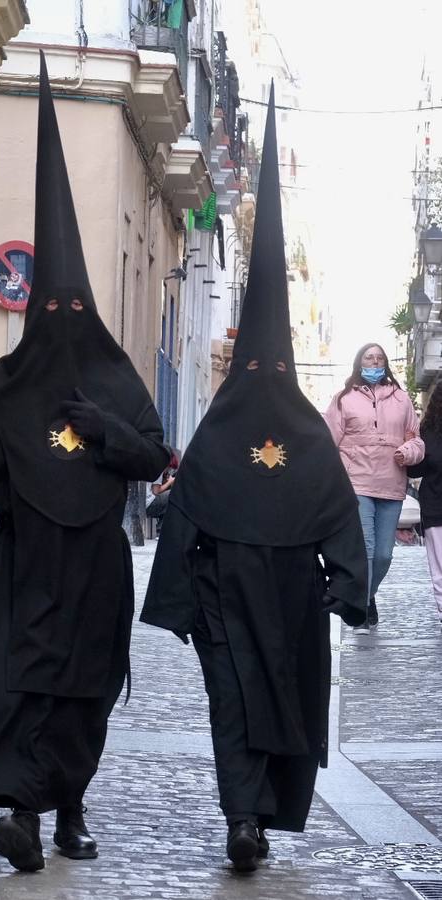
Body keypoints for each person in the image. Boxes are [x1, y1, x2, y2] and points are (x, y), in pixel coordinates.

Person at [0, 51, 168, 875]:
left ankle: (68, 808)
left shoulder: (115, 379)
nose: (64, 319)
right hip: (27, 563)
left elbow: (152, 456)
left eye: (75, 306)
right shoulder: (4, 386)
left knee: (83, 693)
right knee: (18, 686)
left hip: (97, 563)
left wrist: (103, 429)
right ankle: (22, 817)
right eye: (51, 307)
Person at [140, 84, 368, 874]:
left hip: (240, 601)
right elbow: (333, 520)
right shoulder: (304, 429)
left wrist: (176, 602)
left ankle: (249, 815)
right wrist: (346, 587)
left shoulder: (226, 428)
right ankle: (247, 818)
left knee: (242, 706)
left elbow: (189, 510)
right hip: (269, 601)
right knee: (254, 703)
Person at [324, 343, 424, 633]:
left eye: (379, 358)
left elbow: (417, 440)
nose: (375, 362)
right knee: (366, 550)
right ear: (359, 363)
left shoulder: (402, 399)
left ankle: (365, 595)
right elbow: (328, 442)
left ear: (385, 364)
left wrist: (408, 452)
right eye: (369, 357)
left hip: (392, 485)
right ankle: (362, 606)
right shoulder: (343, 399)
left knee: (384, 555)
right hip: (356, 483)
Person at [408, 381, 442, 625]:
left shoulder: (428, 431)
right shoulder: (426, 431)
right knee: (439, 567)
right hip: (436, 506)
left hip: (434, 503)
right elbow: (414, 469)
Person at [145, 449, 178, 535]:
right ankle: (161, 531)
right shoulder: (160, 467)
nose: (169, 471)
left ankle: (162, 529)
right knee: (174, 494)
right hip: (148, 505)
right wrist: (170, 482)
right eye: (170, 468)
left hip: (142, 504)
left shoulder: (152, 463)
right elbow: (156, 491)